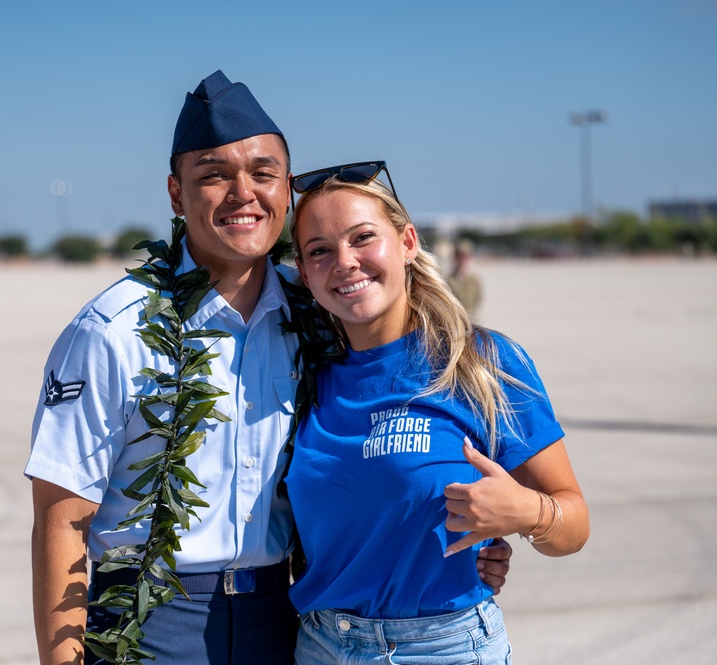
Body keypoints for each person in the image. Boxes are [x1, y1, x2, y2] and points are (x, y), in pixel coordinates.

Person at [26, 73, 511, 665]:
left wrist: (463, 543)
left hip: (287, 622)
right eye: (212, 176)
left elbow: (384, 434)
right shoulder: (113, 332)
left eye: (261, 173)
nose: (241, 194)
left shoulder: (319, 312)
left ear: (286, 188)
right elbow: (61, 520)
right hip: (148, 623)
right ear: (177, 195)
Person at [284, 164, 590, 664]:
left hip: (442, 649)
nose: (345, 262)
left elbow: (574, 526)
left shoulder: (479, 363)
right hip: (319, 645)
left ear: (407, 243)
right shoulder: (307, 377)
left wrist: (527, 512)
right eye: (320, 250)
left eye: (364, 238)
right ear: (303, 272)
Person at [448, 238, 483, 322]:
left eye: (466, 257)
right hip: (454, 323)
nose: (463, 260)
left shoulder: (474, 281)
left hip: (472, 322)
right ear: (455, 257)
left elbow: (477, 300)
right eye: (460, 256)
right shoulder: (447, 280)